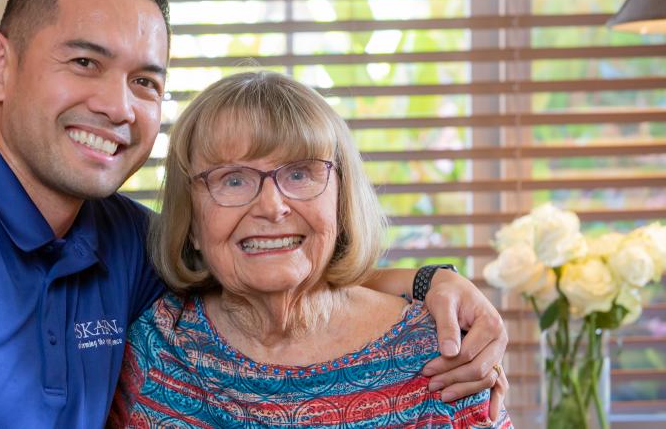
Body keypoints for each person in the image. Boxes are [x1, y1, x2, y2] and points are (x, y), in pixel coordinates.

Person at [0, 0, 505, 427]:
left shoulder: (125, 244)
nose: (118, 105)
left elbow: (267, 255)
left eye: (145, 81)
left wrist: (437, 285)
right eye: (83, 61)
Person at [107, 71, 511, 427]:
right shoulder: (153, 348)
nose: (271, 207)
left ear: (340, 200)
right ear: (192, 222)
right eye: (232, 180)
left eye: (299, 173)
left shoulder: (441, 352)